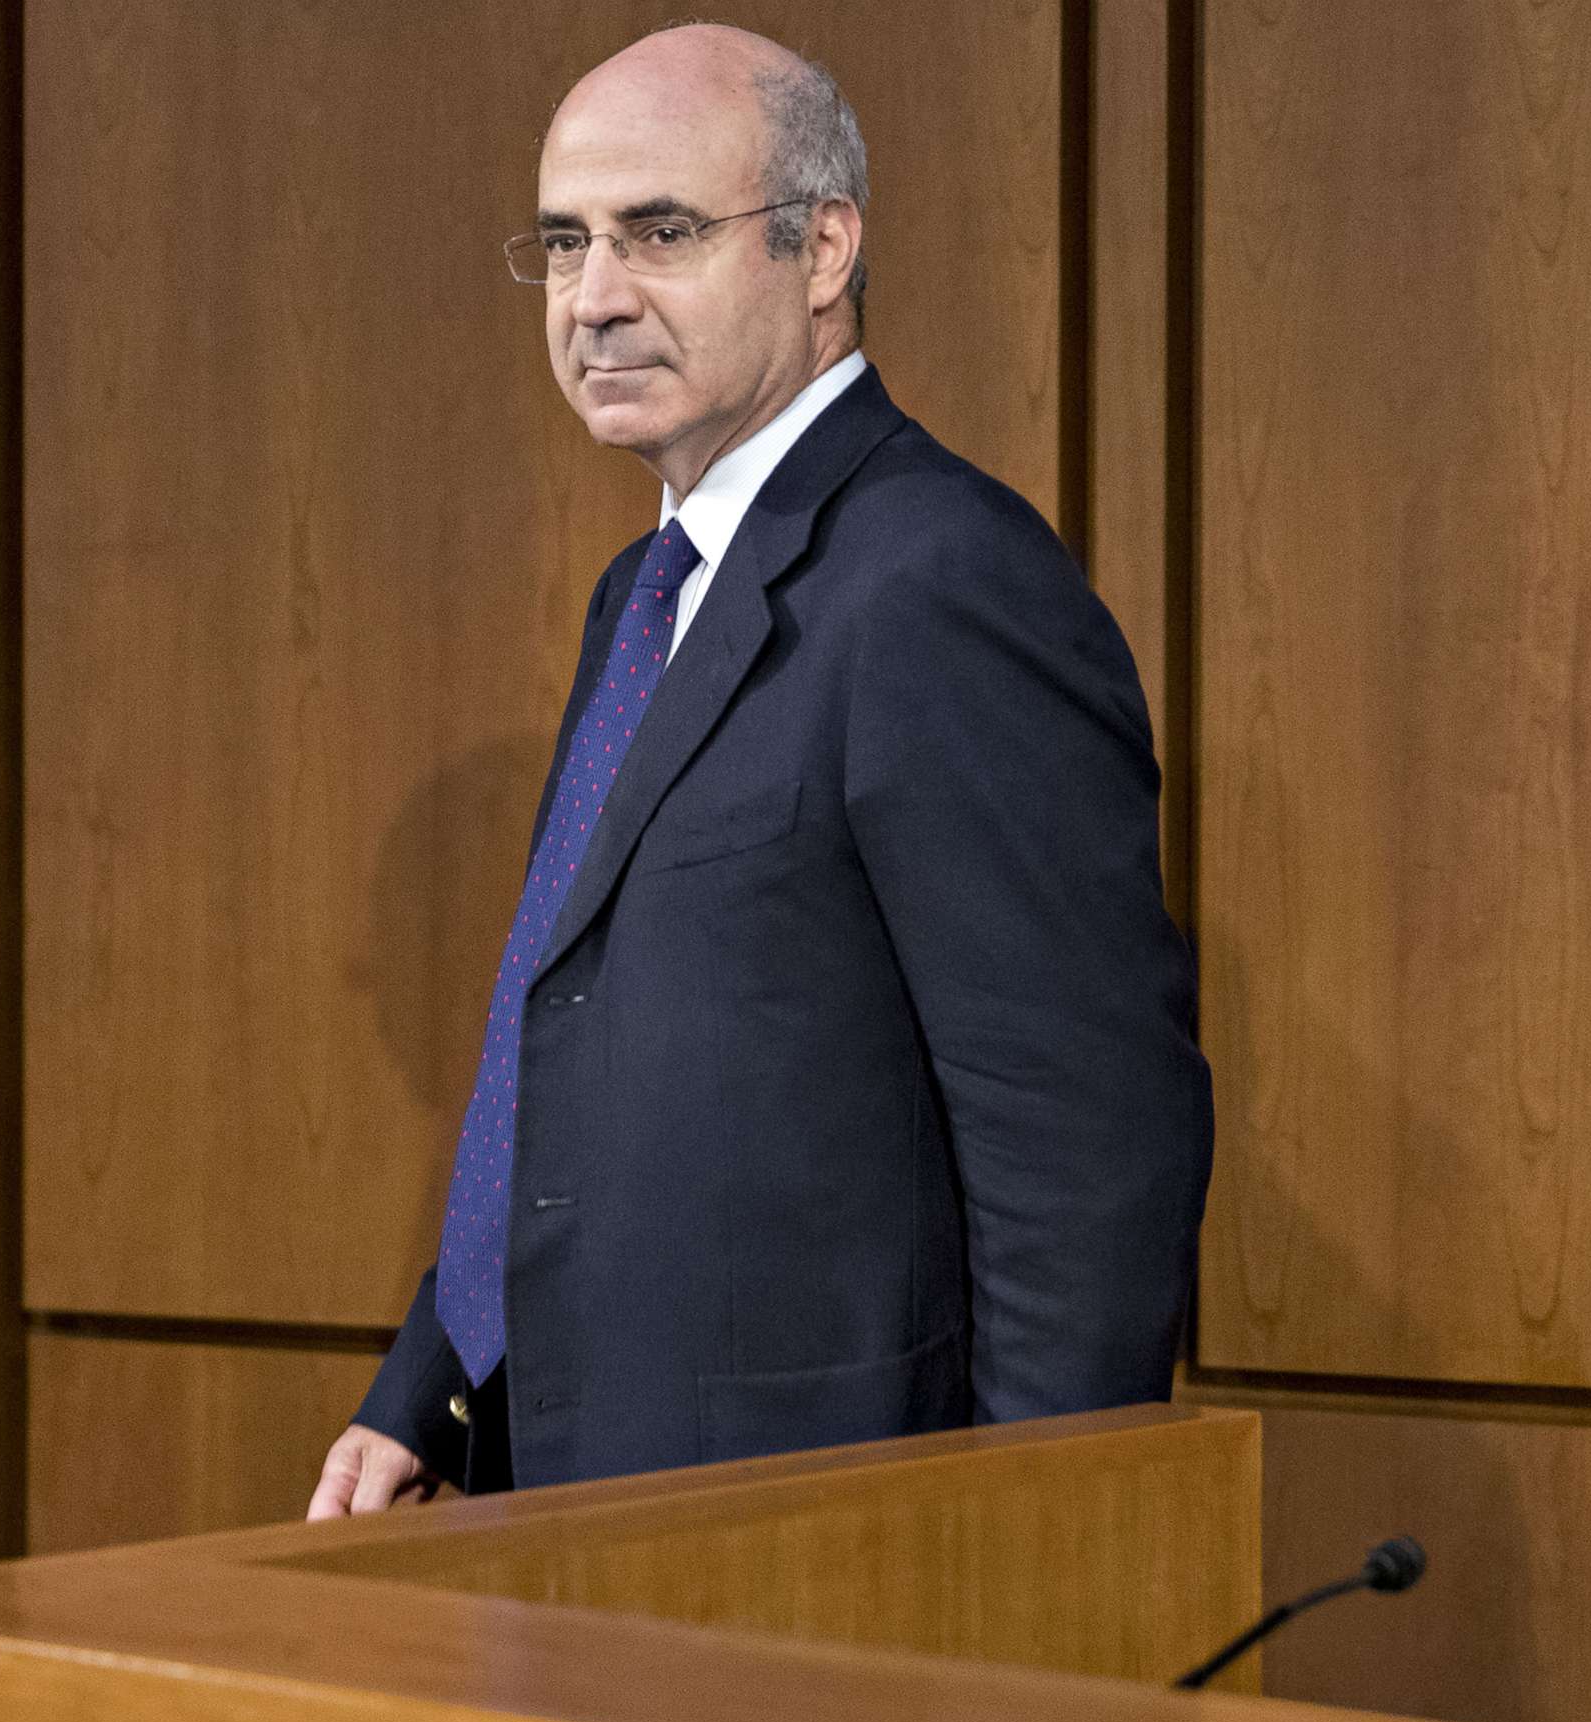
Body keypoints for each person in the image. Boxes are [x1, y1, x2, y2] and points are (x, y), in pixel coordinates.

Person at [309, 23, 1211, 1518]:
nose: (594, 298)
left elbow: (1085, 1146)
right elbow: (578, 1026)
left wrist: (1048, 1543)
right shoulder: (644, 594)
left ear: (823, 248)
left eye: (660, 232)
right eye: (562, 242)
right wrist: (437, 1377)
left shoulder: (940, 583)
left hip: (828, 1524)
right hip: (587, 1490)